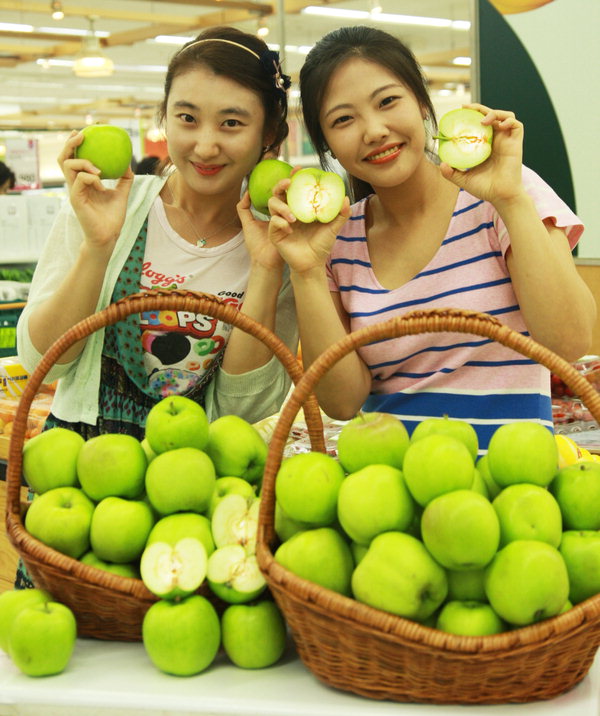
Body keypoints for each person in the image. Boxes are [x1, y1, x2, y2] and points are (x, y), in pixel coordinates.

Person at [266, 25, 595, 453]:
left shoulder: (505, 193)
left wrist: (510, 199)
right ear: (325, 141)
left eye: (387, 101)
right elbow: (342, 403)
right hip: (386, 493)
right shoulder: (335, 238)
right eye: (343, 119)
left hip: (514, 488)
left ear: (422, 102)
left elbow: (569, 343)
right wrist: (307, 271)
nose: (374, 130)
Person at [17, 25, 296, 439]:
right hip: (84, 465)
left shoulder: (277, 236)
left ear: (268, 133)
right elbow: (42, 362)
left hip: (201, 476)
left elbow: (245, 408)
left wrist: (267, 269)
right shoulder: (108, 203)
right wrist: (98, 247)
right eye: (187, 118)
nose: (204, 146)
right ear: (165, 117)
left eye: (231, 123)